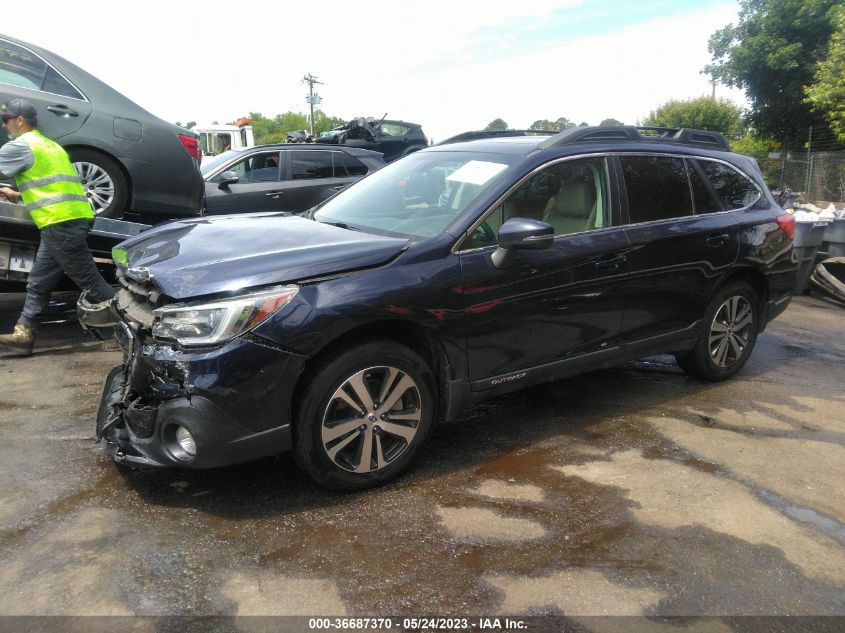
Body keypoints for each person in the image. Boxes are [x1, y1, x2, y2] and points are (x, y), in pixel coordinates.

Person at [0, 98, 115, 357]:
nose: (5, 125)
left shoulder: (19, 146)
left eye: (6, 120)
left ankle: (138, 331)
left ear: (19, 121)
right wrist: (17, 194)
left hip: (60, 223)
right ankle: (24, 333)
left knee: (92, 283)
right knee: (38, 282)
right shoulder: (51, 146)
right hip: (70, 219)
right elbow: (53, 186)